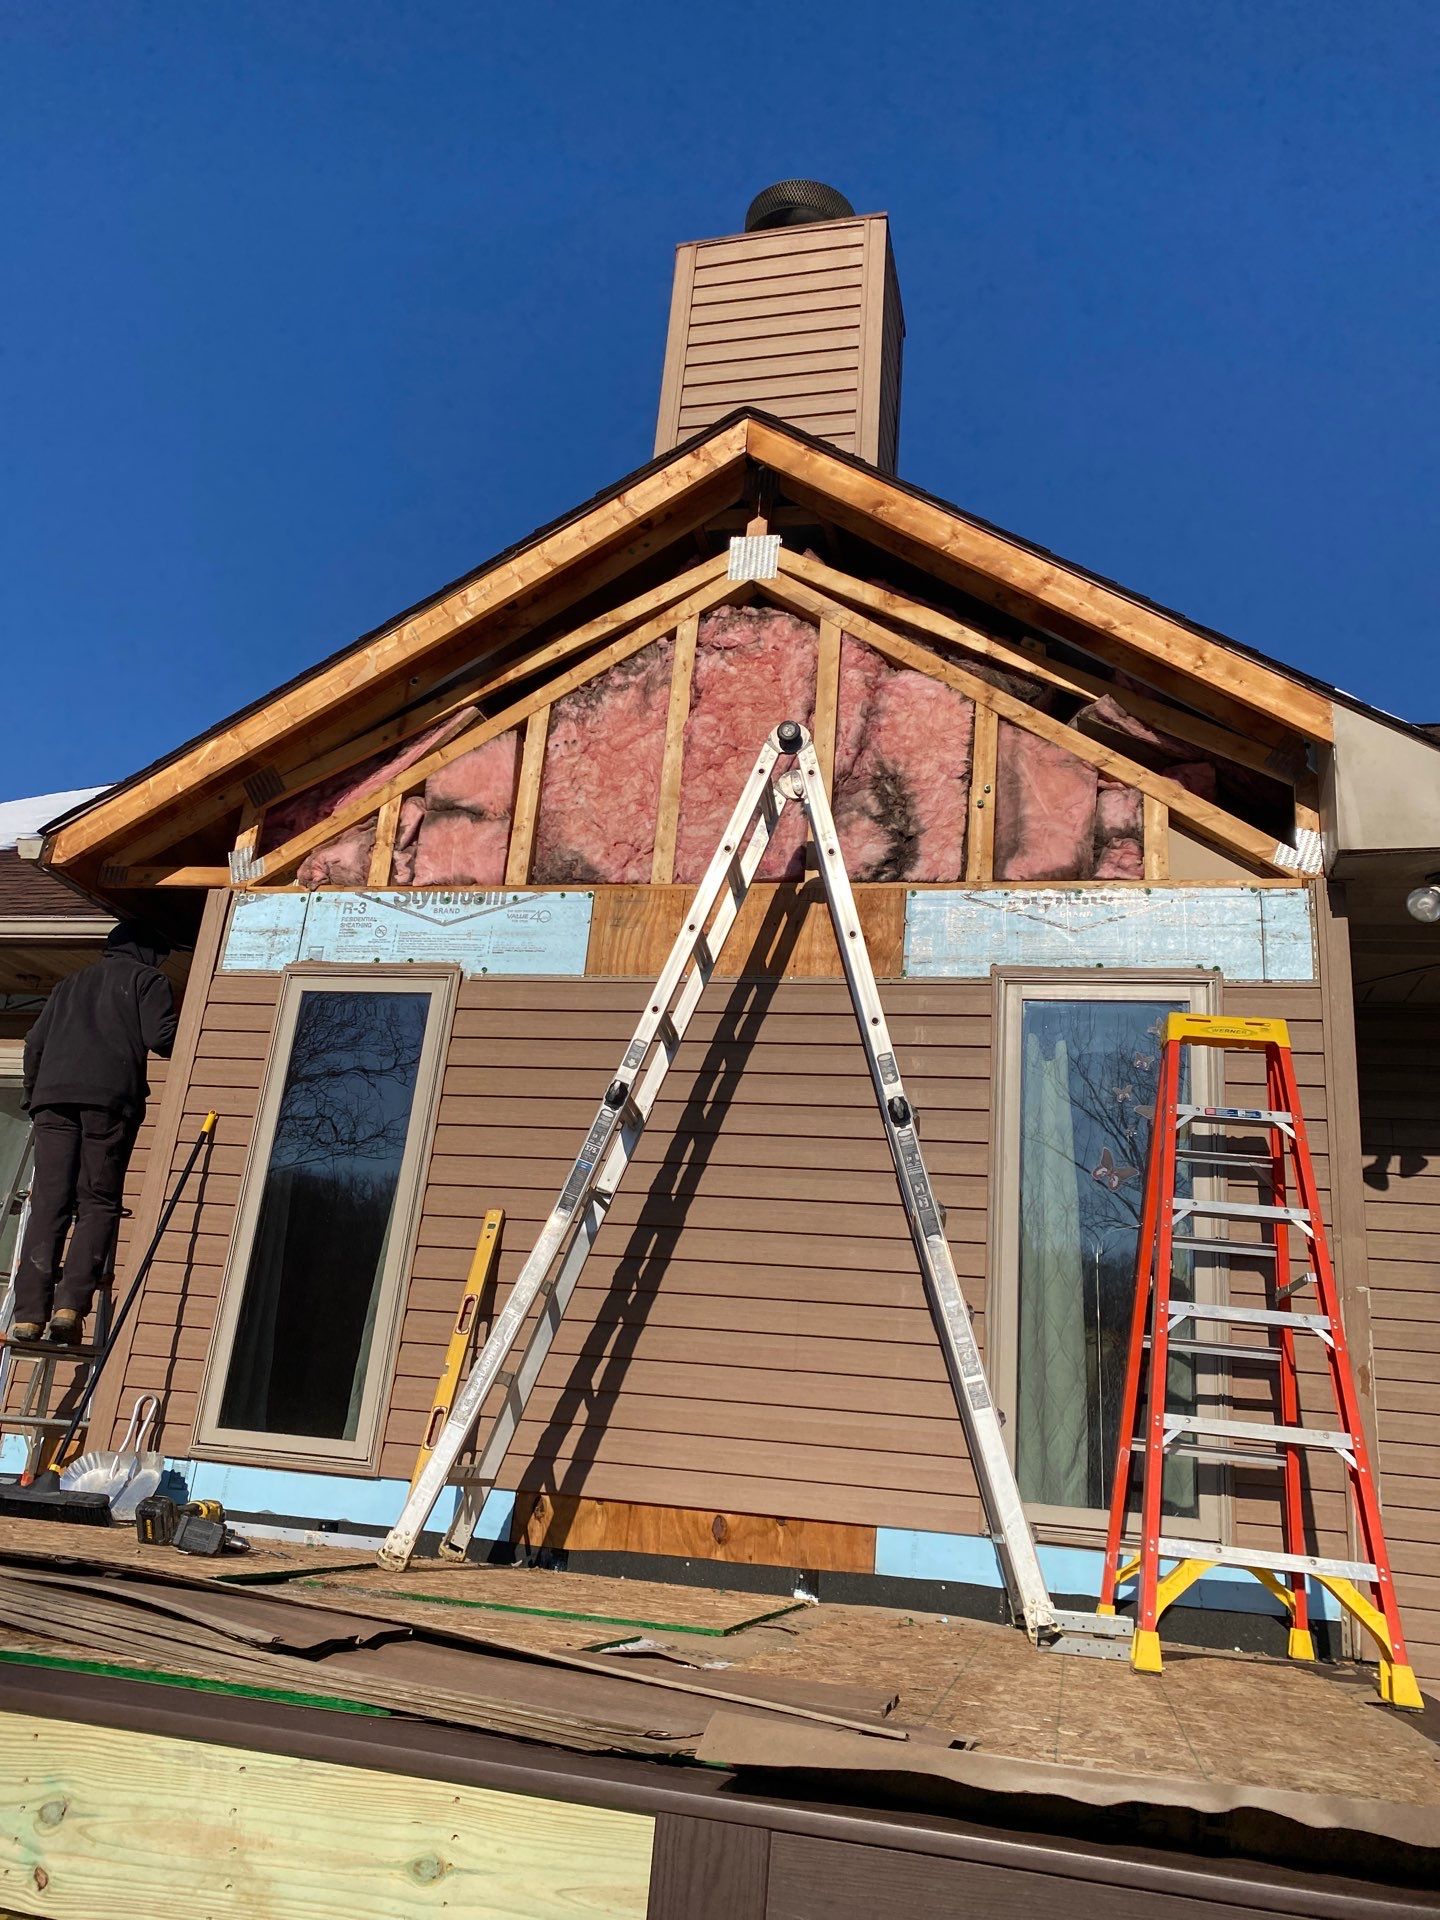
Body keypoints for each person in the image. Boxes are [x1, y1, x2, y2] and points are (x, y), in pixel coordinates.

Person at [14, 922, 178, 1344]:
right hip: (107, 1101)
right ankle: (69, 1308)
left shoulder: (70, 983)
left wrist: (34, 1095)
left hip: (52, 1100)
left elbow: (34, 1042)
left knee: (49, 1202)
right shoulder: (148, 980)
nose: (163, 962)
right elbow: (161, 1038)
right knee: (97, 1202)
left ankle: (28, 1316)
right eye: (161, 954)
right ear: (148, 952)